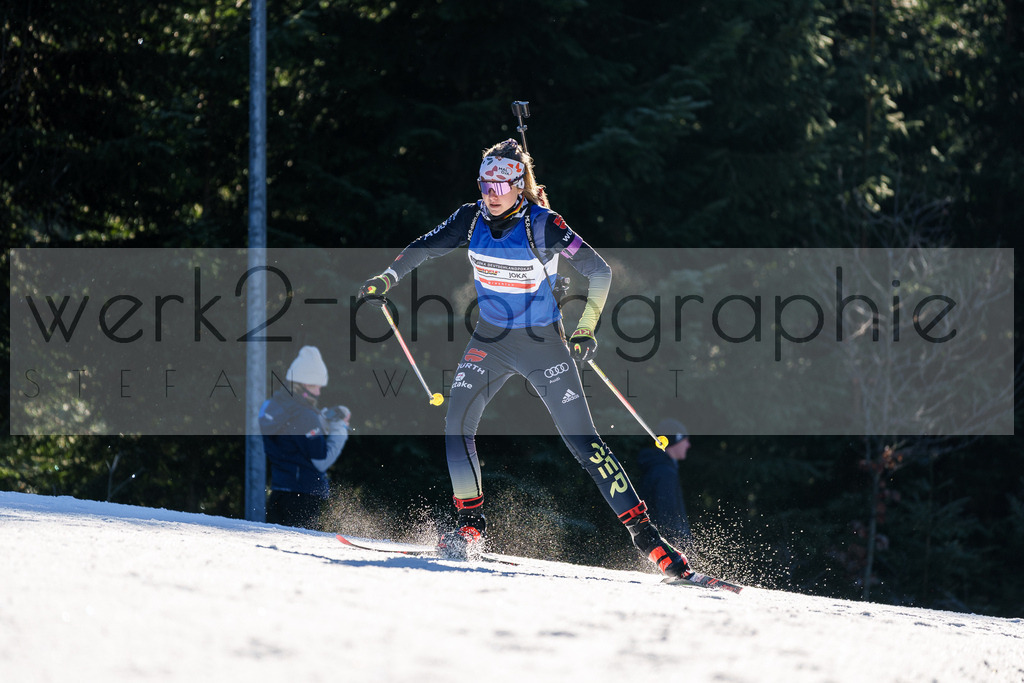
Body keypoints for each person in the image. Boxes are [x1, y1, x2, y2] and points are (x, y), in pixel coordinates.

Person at [356, 138, 692, 581]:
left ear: (518, 185)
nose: (490, 194)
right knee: (456, 423)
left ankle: (648, 539)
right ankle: (470, 526)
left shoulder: (544, 224)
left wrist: (586, 326)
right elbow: (425, 245)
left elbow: (599, 271)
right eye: (484, 184)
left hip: (542, 344)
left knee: (583, 442)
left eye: (499, 185)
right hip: (490, 340)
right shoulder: (469, 217)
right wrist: (387, 277)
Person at [259, 345, 351, 529]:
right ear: (299, 384)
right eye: (313, 385)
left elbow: (292, 433)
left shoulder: (271, 406)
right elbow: (321, 461)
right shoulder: (305, 416)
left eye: (319, 386)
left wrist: (320, 420)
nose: (318, 392)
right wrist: (339, 429)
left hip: (278, 491)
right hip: (303, 496)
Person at [636, 419, 693, 547]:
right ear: (674, 441)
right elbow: (668, 518)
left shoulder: (662, 468)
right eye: (685, 440)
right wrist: (681, 548)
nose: (688, 445)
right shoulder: (664, 472)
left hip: (655, 545)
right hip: (666, 549)